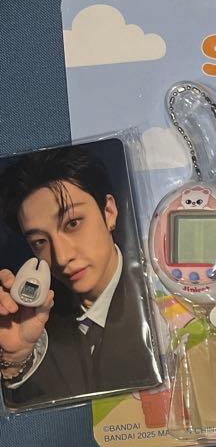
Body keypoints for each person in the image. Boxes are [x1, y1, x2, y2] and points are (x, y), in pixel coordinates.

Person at [0, 143, 160, 407]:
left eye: (72, 223)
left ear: (109, 212)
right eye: (40, 241)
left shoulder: (162, 297)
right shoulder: (36, 323)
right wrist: (16, 358)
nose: (61, 257)